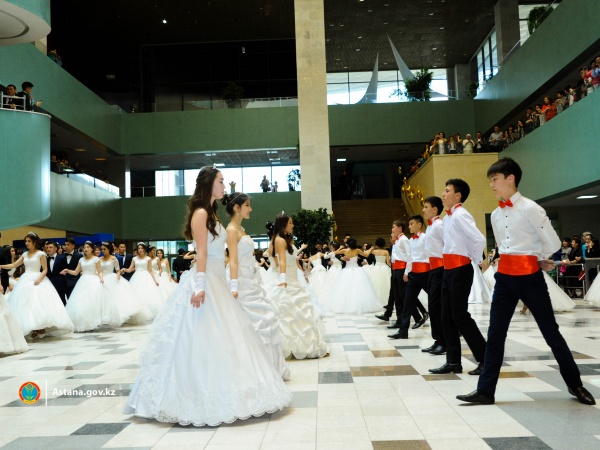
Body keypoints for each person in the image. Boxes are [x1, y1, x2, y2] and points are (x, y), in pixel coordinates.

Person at [124, 166, 292, 426]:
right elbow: (201, 252)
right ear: (209, 184)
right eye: (221, 181)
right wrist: (200, 285)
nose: (224, 186)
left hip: (217, 280)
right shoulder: (201, 213)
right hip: (206, 280)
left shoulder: (212, 212)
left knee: (225, 337)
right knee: (199, 337)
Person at [457, 157, 595, 406]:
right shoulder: (496, 215)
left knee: (550, 333)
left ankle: (575, 384)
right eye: (490, 180)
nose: (492, 185)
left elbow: (552, 242)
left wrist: (540, 258)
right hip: (505, 279)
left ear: (510, 179)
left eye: (494, 179)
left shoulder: (531, 208)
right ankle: (485, 391)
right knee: (495, 334)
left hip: (530, 278)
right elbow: (503, 247)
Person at [223, 192, 290, 380]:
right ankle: (252, 370)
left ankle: (268, 367)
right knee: (248, 324)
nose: (250, 209)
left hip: (251, 280)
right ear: (237, 207)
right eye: (247, 205)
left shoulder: (240, 228)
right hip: (240, 282)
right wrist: (234, 286)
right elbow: (233, 261)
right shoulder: (231, 230)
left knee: (264, 318)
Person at [429, 179, 487, 376]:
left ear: (458, 195)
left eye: (447, 191)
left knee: (460, 315)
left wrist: (477, 259)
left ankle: (485, 357)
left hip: (460, 268)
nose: (443, 194)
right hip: (448, 269)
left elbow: (479, 239)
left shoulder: (461, 215)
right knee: (446, 316)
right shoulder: (448, 218)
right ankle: (453, 362)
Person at [266, 214, 329, 359]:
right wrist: (282, 278)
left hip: (294, 278)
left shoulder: (285, 240)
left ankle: (305, 345)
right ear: (283, 224)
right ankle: (291, 346)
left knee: (299, 311)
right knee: (288, 311)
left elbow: (291, 259)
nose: (292, 225)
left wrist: (302, 273)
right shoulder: (279, 240)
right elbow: (280, 261)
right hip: (287, 279)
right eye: (290, 223)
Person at [1, 232, 74, 339]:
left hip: (38, 279)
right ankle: (33, 327)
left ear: (35, 242)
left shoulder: (41, 254)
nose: (26, 243)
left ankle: (41, 327)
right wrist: (1, 266)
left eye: (29, 241)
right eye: (26, 241)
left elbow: (45, 269)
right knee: (26, 304)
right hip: (25, 279)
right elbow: (14, 265)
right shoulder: (24, 254)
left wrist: (39, 279)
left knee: (39, 303)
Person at [62, 241, 122, 332]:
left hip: (93, 281)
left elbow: (100, 271)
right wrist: (67, 270)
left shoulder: (96, 259)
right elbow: (76, 272)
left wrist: (101, 278)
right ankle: (82, 323)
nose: (85, 249)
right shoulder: (81, 260)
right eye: (84, 247)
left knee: (91, 303)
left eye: (88, 247)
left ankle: (91, 323)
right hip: (83, 282)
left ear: (92, 249)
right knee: (82, 303)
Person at [390, 215, 430, 339]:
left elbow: (430, 254)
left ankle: (454, 326)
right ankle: (403, 331)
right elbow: (410, 258)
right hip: (413, 274)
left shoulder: (425, 238)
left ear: (419, 225)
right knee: (407, 302)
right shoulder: (411, 240)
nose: (409, 226)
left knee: (437, 299)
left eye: (411, 224)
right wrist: (407, 272)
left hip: (426, 273)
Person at [323, 238, 380, 314]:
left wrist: (342, 257)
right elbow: (366, 254)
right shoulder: (357, 250)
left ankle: (345, 305)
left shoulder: (345, 250)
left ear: (348, 244)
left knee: (344, 289)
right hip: (357, 270)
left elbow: (334, 253)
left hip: (346, 270)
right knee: (359, 289)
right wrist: (371, 249)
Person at [98, 242, 151, 325]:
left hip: (143, 276)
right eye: (102, 249)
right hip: (103, 278)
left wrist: (118, 276)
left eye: (104, 249)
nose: (102, 251)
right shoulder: (99, 259)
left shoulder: (114, 258)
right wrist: (125, 270)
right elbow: (129, 269)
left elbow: (117, 270)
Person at [421, 196, 446, 355]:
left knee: (437, 306)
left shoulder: (439, 225)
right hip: (433, 268)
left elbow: (449, 244)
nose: (423, 210)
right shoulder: (430, 227)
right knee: (433, 305)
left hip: (442, 268)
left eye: (426, 206)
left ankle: (443, 341)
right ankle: (437, 339)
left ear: (435, 209)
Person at [121, 243, 165, 318]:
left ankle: (148, 312)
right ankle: (138, 312)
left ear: (144, 249)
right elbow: (130, 269)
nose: (140, 250)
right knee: (136, 294)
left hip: (146, 277)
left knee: (147, 294)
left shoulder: (148, 259)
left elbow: (150, 270)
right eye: (139, 248)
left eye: (141, 248)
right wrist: (124, 269)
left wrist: (155, 281)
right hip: (136, 277)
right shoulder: (134, 259)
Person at [363, 237, 391, 306]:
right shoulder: (386, 252)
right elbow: (388, 262)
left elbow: (365, 253)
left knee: (374, 284)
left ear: (377, 244)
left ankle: (375, 300)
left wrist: (370, 249)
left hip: (376, 268)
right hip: (385, 268)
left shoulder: (374, 251)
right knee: (386, 285)